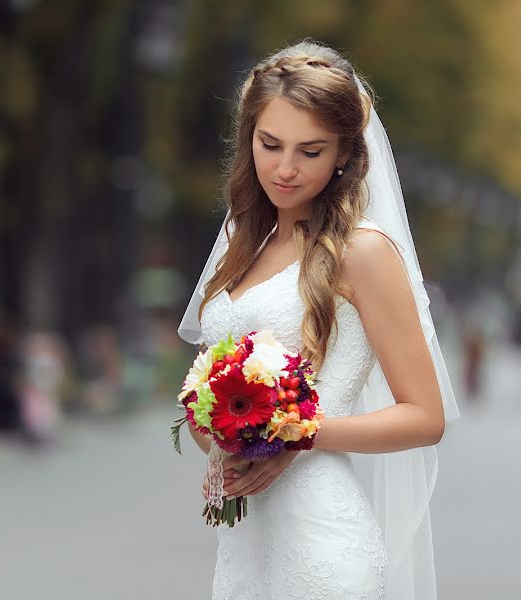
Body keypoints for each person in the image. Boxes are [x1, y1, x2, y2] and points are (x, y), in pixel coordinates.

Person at [177, 40, 460, 600]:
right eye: (270, 144)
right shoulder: (243, 244)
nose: (284, 169)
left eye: (311, 151)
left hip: (323, 541)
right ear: (248, 139)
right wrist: (217, 426)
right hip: (246, 539)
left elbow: (425, 417)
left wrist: (296, 435)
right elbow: (205, 398)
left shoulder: (365, 252)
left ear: (344, 156)